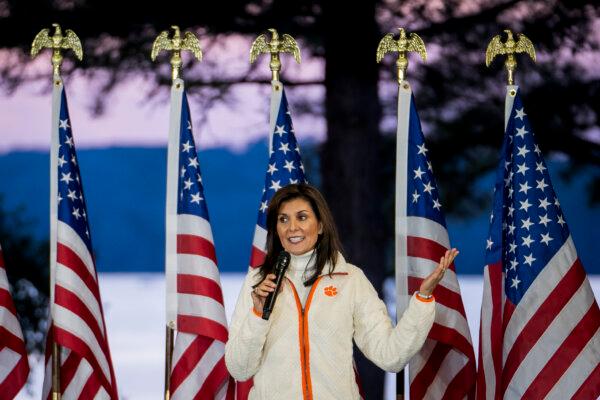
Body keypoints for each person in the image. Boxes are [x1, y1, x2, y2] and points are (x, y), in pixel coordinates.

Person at [225, 183, 457, 399]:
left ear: (321, 225)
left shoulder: (350, 279)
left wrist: (423, 299)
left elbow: (390, 356)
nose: (292, 227)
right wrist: (258, 315)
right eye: (283, 219)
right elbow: (239, 368)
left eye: (302, 217)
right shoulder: (259, 281)